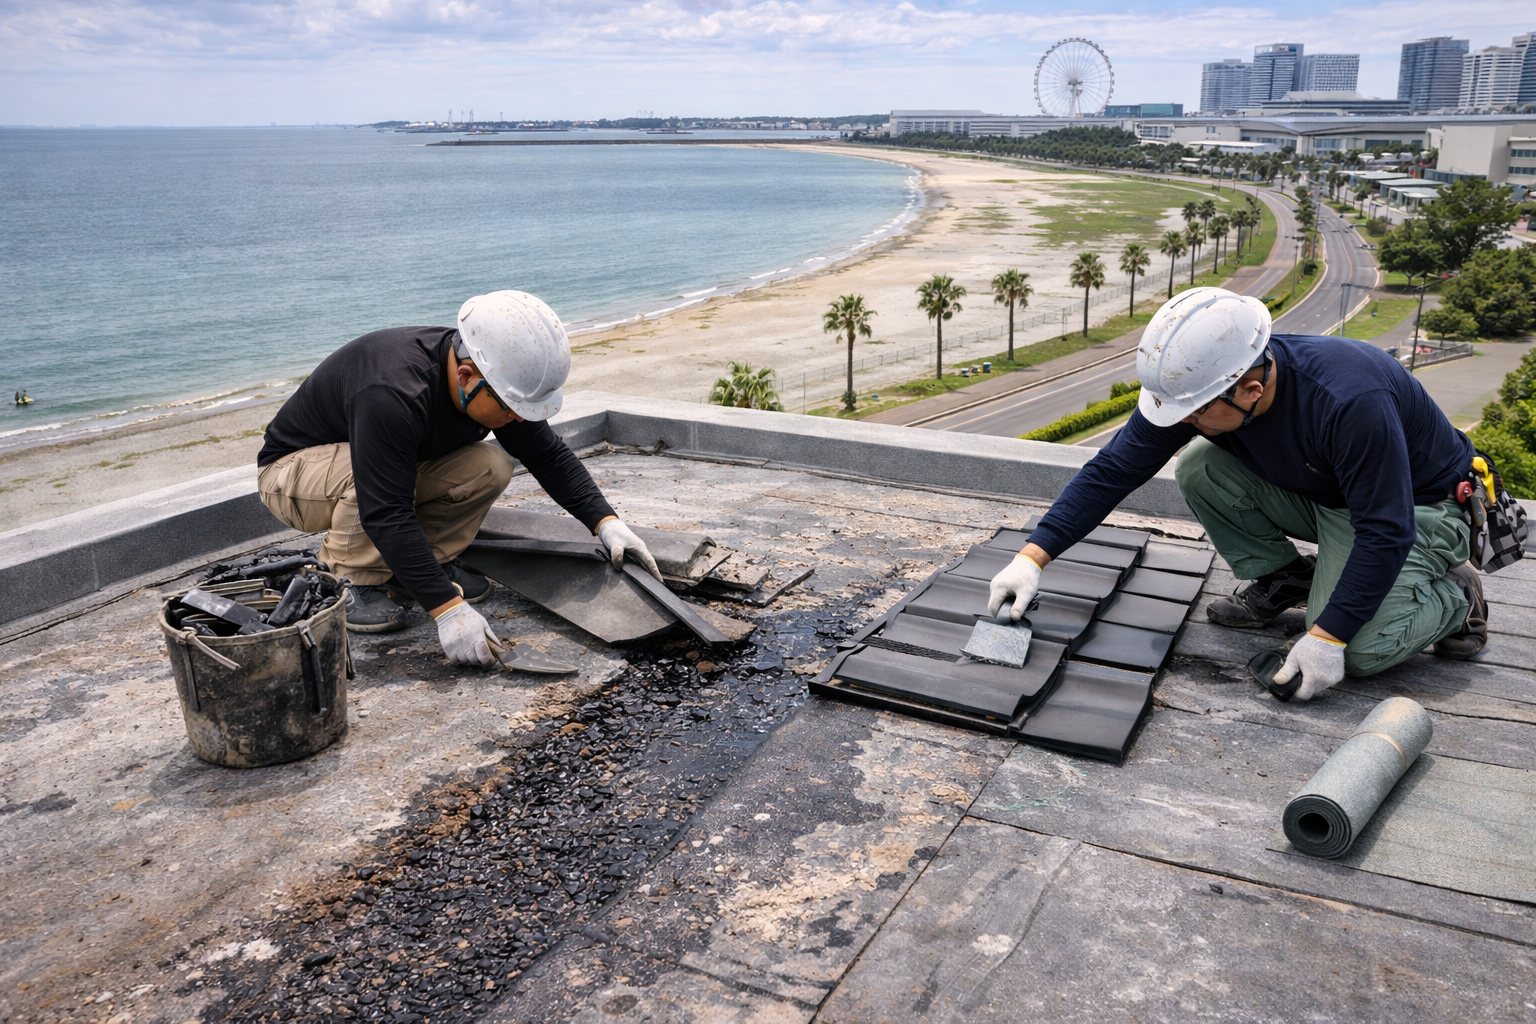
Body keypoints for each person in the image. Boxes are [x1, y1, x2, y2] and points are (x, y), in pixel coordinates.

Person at [987, 287, 1487, 702]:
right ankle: (1287, 577)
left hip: (1418, 508)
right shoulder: (1204, 385)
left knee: (1357, 651)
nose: (1183, 420)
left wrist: (1329, 636)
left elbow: (1385, 529)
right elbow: (1113, 469)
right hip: (1329, 494)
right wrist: (1033, 557)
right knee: (1199, 464)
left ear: (1250, 389)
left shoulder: (1349, 400)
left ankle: (1455, 598)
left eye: (1193, 413)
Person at [256, 290, 661, 666]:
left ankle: (414, 568)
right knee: (374, 478)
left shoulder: (493, 378)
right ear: (466, 376)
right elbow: (386, 509)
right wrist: (447, 609)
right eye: (511, 407)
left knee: (491, 464)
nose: (518, 418)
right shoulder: (393, 392)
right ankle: (348, 579)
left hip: (372, 465)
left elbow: (547, 455)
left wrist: (606, 523)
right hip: (292, 475)